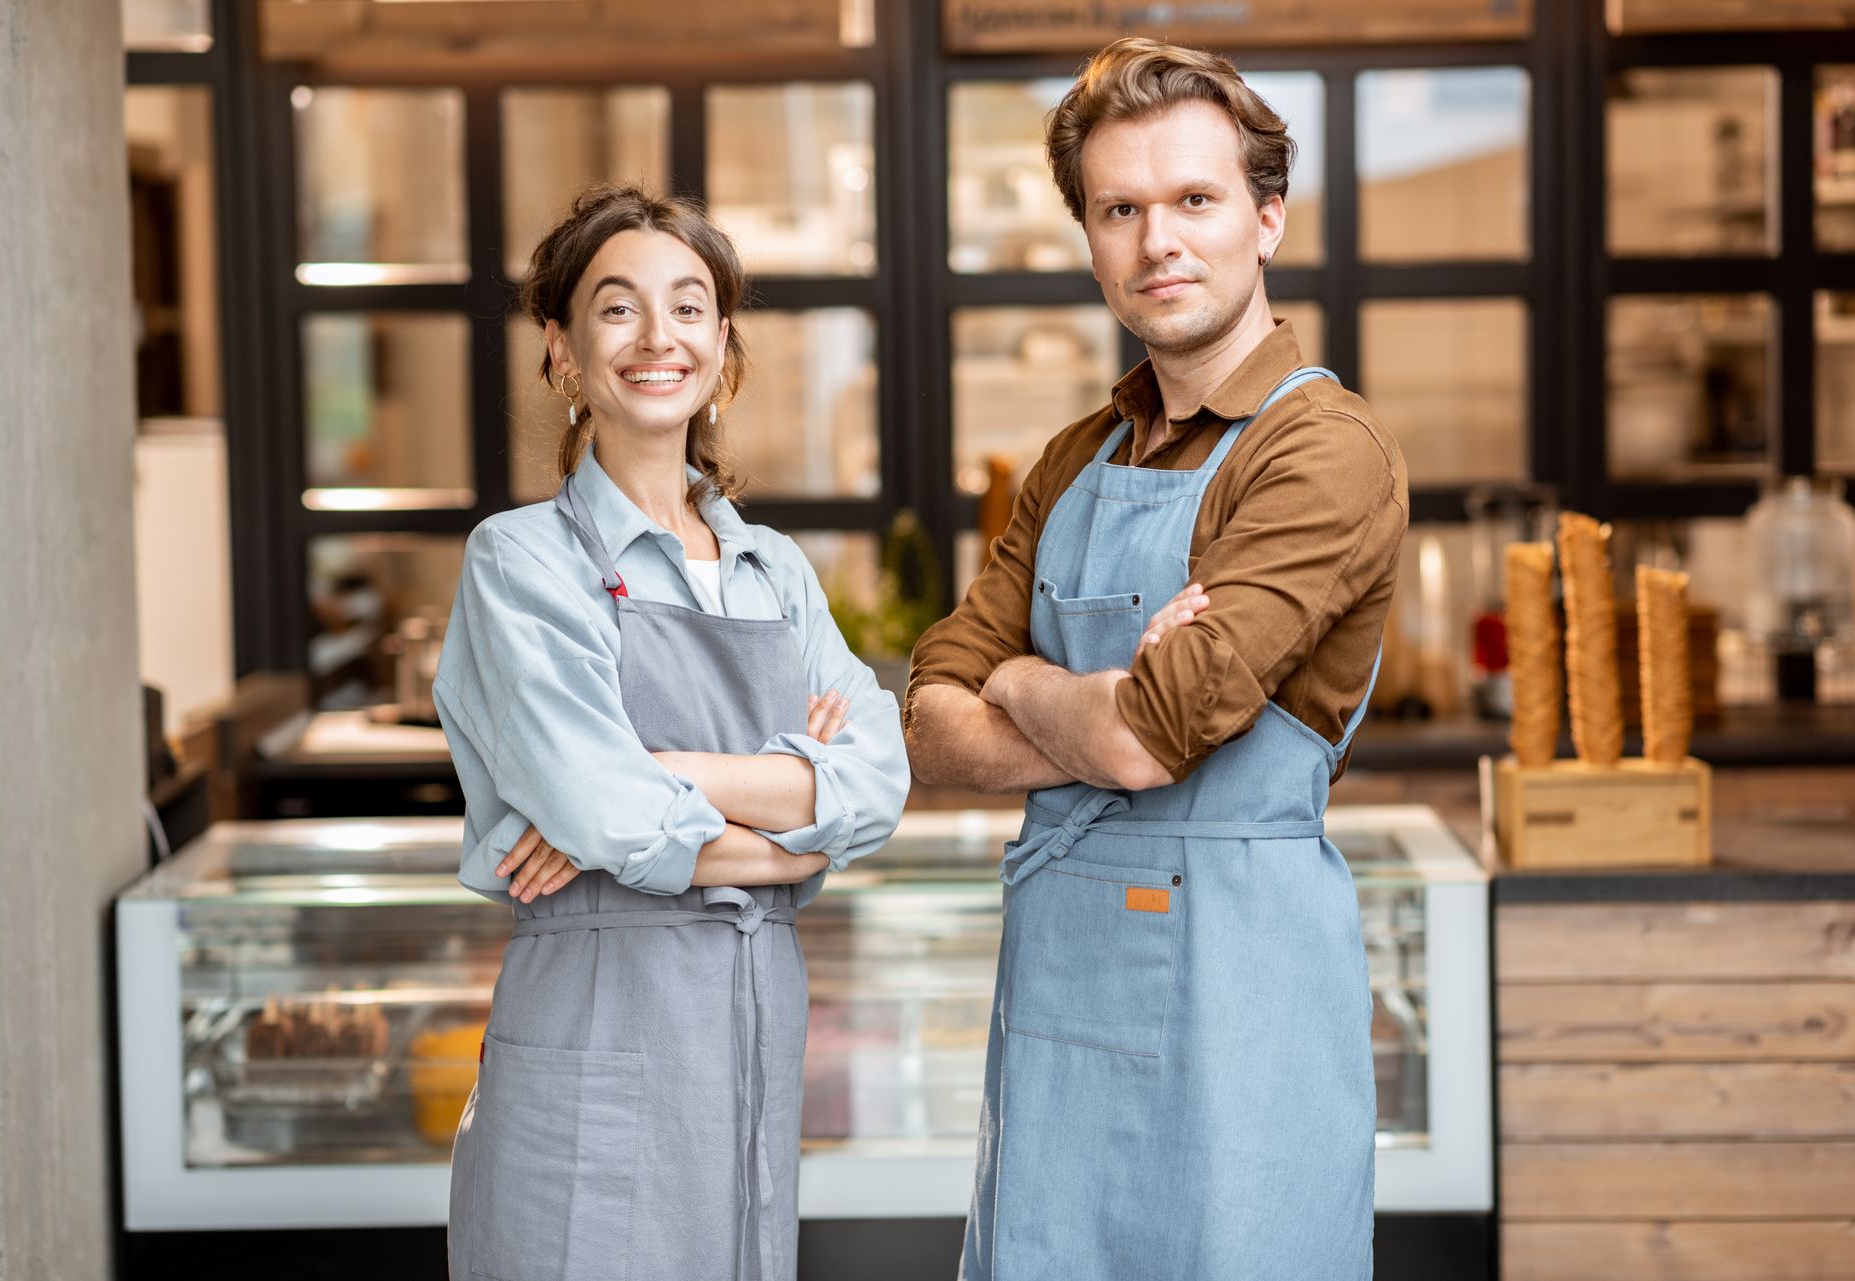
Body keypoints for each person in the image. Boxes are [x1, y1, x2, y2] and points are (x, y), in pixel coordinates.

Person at [905, 38, 1407, 1281]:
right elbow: (929, 715)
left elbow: (1144, 739)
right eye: (1119, 209)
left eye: (1194, 200)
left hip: (1241, 1001)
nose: (1157, 243)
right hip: (1064, 990)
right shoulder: (1080, 454)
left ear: (1267, 217)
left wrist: (1021, 683)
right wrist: (1086, 696)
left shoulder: (1323, 454)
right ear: (1089, 237)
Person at [433, 184, 910, 1281]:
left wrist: (668, 775)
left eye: (690, 308)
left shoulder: (776, 571)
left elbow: (878, 785)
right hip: (597, 1022)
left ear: (724, 347)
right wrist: (799, 830)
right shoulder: (521, 562)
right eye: (617, 309)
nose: (659, 338)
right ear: (560, 351)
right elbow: (606, 811)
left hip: (749, 1035)